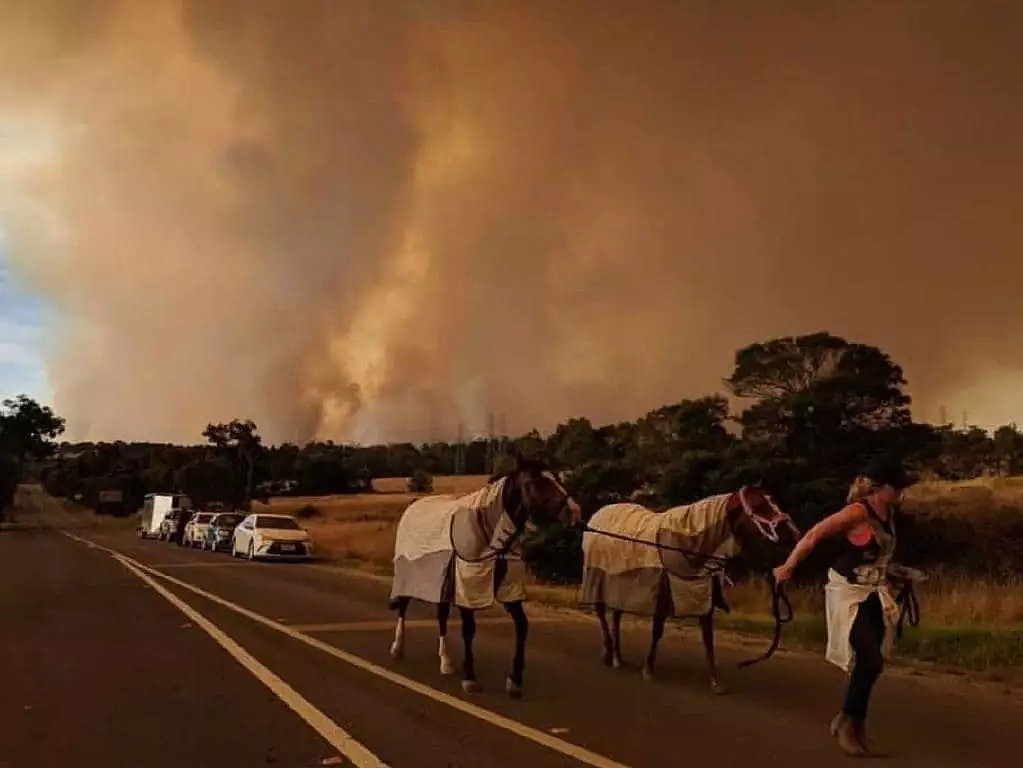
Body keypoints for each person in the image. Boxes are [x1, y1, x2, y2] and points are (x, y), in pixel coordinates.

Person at [773, 453, 912, 757]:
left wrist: (896, 571)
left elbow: (876, 556)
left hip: (873, 590)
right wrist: (788, 566)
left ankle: (853, 723)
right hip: (848, 592)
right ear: (879, 487)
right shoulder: (856, 513)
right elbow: (813, 536)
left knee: (871, 665)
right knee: (870, 660)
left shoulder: (888, 514)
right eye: (896, 486)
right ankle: (848, 725)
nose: (901, 491)